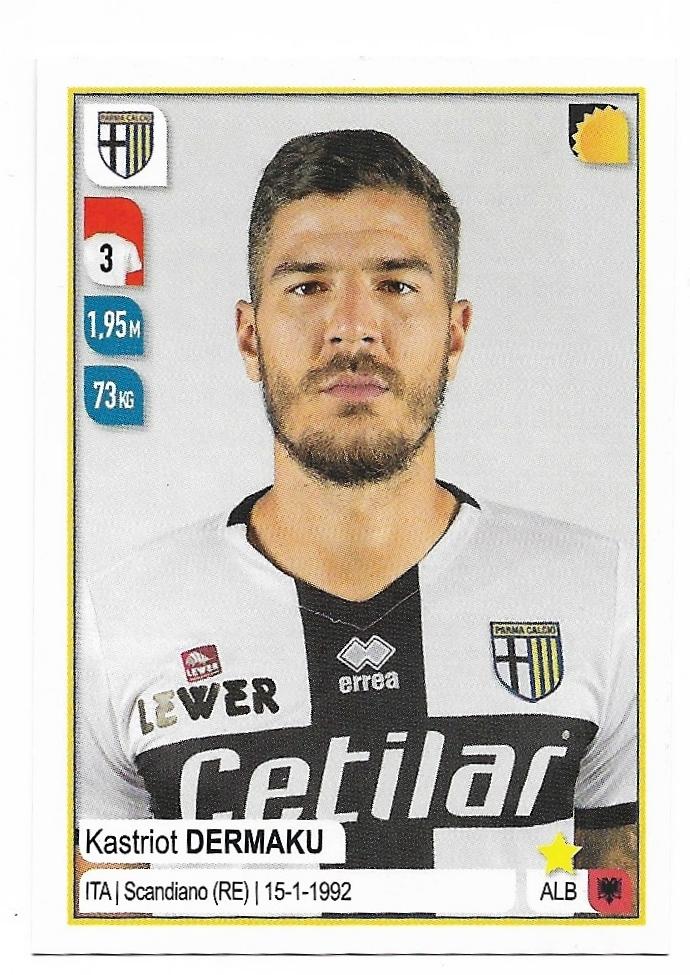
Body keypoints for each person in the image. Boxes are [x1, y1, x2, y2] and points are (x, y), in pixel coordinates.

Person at [76, 129, 637, 912]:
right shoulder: (116, 620)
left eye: (396, 285)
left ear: (455, 333)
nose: (351, 327)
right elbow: (94, 933)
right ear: (249, 336)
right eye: (307, 286)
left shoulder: (606, 596)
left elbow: (633, 912)